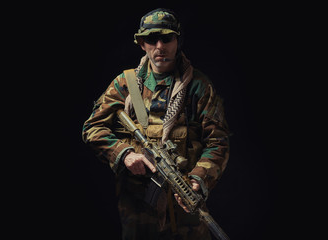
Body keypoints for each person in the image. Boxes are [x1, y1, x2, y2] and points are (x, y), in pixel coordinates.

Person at [82, 8, 230, 240]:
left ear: (177, 40)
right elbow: (93, 128)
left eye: (167, 38)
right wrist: (125, 154)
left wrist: (198, 179)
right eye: (152, 39)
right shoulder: (126, 84)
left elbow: (218, 142)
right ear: (142, 44)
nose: (160, 46)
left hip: (185, 208)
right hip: (138, 208)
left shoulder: (198, 86)